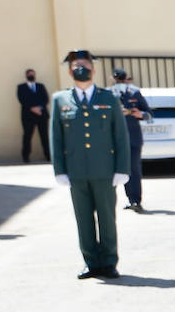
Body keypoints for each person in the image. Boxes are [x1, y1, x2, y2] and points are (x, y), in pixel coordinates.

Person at [49, 49, 130, 280]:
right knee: (83, 219)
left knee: (106, 219)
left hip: (105, 171)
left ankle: (109, 261)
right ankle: (91, 262)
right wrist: (59, 170)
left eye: (84, 65)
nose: (80, 69)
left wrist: (122, 169)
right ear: (69, 72)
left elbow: (120, 136)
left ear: (93, 70)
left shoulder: (108, 98)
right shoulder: (60, 100)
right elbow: (56, 137)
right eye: (76, 66)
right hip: (76, 172)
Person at [111, 68, 151, 212]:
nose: (119, 82)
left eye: (121, 79)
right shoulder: (109, 94)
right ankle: (122, 200)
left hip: (133, 139)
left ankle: (135, 201)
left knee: (133, 170)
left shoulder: (134, 93)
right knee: (119, 171)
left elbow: (149, 114)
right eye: (117, 79)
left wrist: (140, 114)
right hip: (114, 140)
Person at [18, 68, 50, 163]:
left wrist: (39, 108)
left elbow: (46, 99)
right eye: (29, 74)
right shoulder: (21, 87)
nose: (31, 76)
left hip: (41, 115)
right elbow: (21, 99)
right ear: (26, 75)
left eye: (32, 74)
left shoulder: (40, 86)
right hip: (28, 116)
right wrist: (32, 108)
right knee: (27, 136)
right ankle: (26, 157)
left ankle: (48, 156)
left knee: (44, 136)